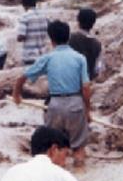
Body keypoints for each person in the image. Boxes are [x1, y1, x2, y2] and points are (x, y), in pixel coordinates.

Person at [13, 21, 92, 167]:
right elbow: (86, 88)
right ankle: (81, 178)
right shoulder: (79, 58)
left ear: (51, 39)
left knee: (53, 149)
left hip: (54, 106)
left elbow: (22, 77)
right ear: (68, 37)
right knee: (78, 149)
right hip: (75, 105)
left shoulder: (47, 58)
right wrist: (87, 111)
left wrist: (16, 95)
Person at [68, 8, 102, 81]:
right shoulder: (97, 44)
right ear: (93, 23)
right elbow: (98, 68)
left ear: (78, 21)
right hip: (86, 83)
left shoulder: (69, 38)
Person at [17, 0, 49, 66]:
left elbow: (21, 36)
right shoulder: (44, 16)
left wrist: (18, 38)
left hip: (30, 55)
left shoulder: (25, 17)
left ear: (24, 5)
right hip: (43, 54)